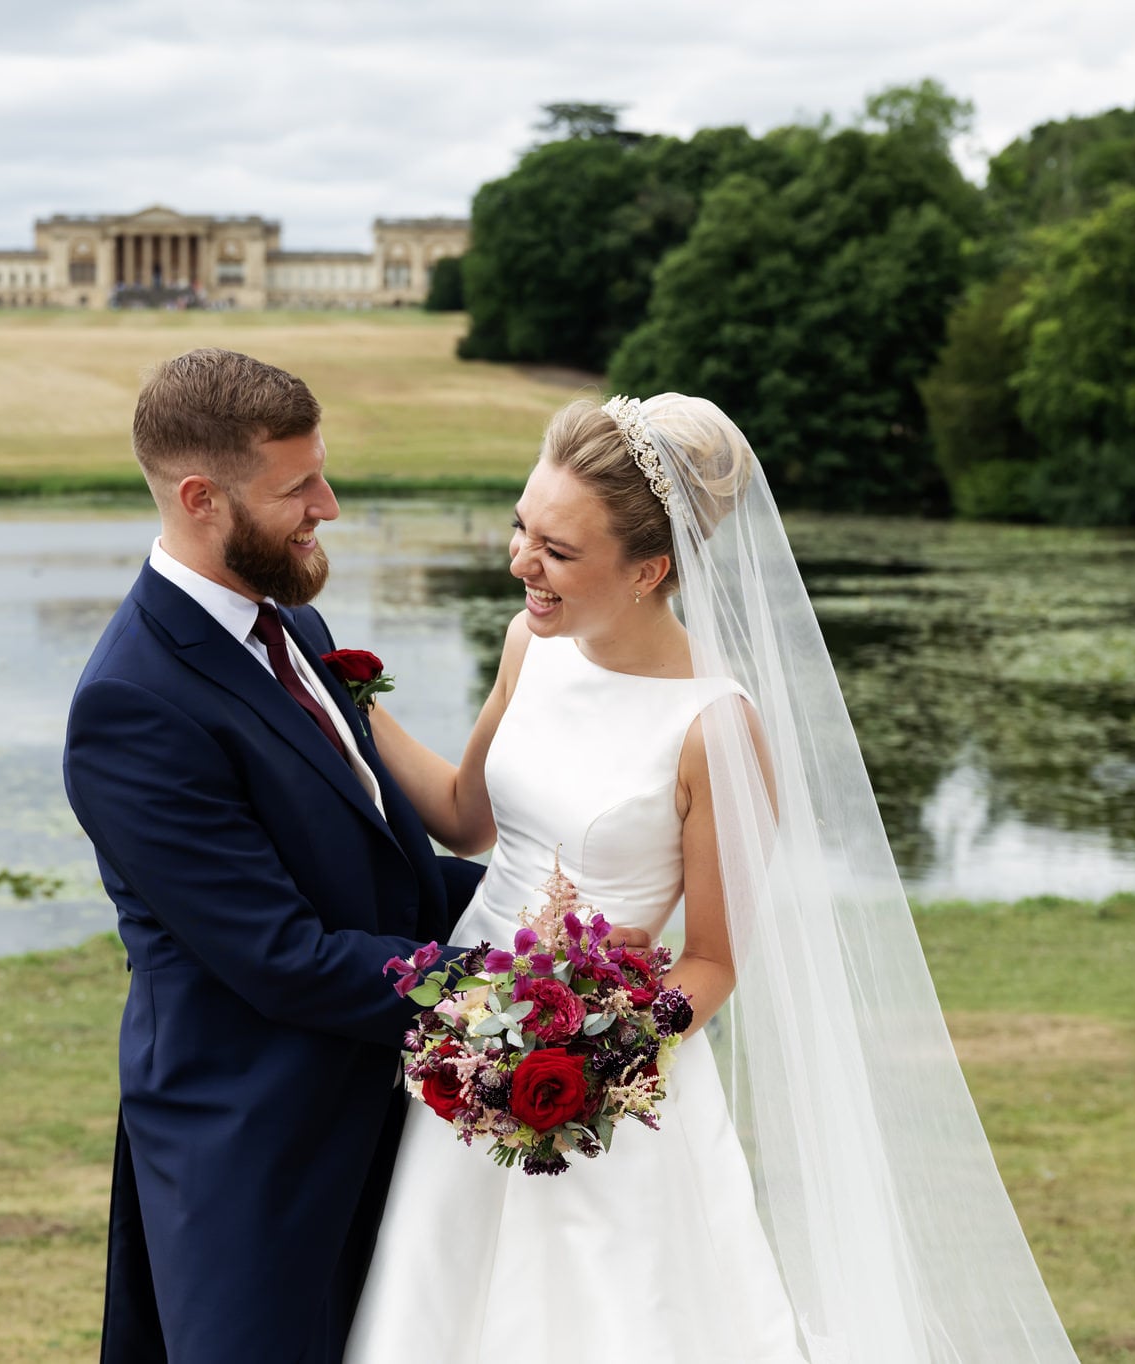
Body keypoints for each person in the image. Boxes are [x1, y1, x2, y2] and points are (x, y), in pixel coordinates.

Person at [348, 395, 1082, 1362]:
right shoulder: (533, 644)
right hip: (465, 1051)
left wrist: (586, 1064)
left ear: (650, 570)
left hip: (604, 1084)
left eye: (557, 552)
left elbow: (713, 959)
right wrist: (341, 695)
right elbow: (464, 815)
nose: (521, 562)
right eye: (523, 527)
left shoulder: (715, 726)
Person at [62, 348, 495, 1364]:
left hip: (381, 1107)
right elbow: (281, 953)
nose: (328, 505)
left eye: (321, 471)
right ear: (201, 496)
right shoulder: (132, 703)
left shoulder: (290, 622)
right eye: (296, 486)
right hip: (253, 1154)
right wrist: (510, 986)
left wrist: (570, 915)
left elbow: (390, 871)